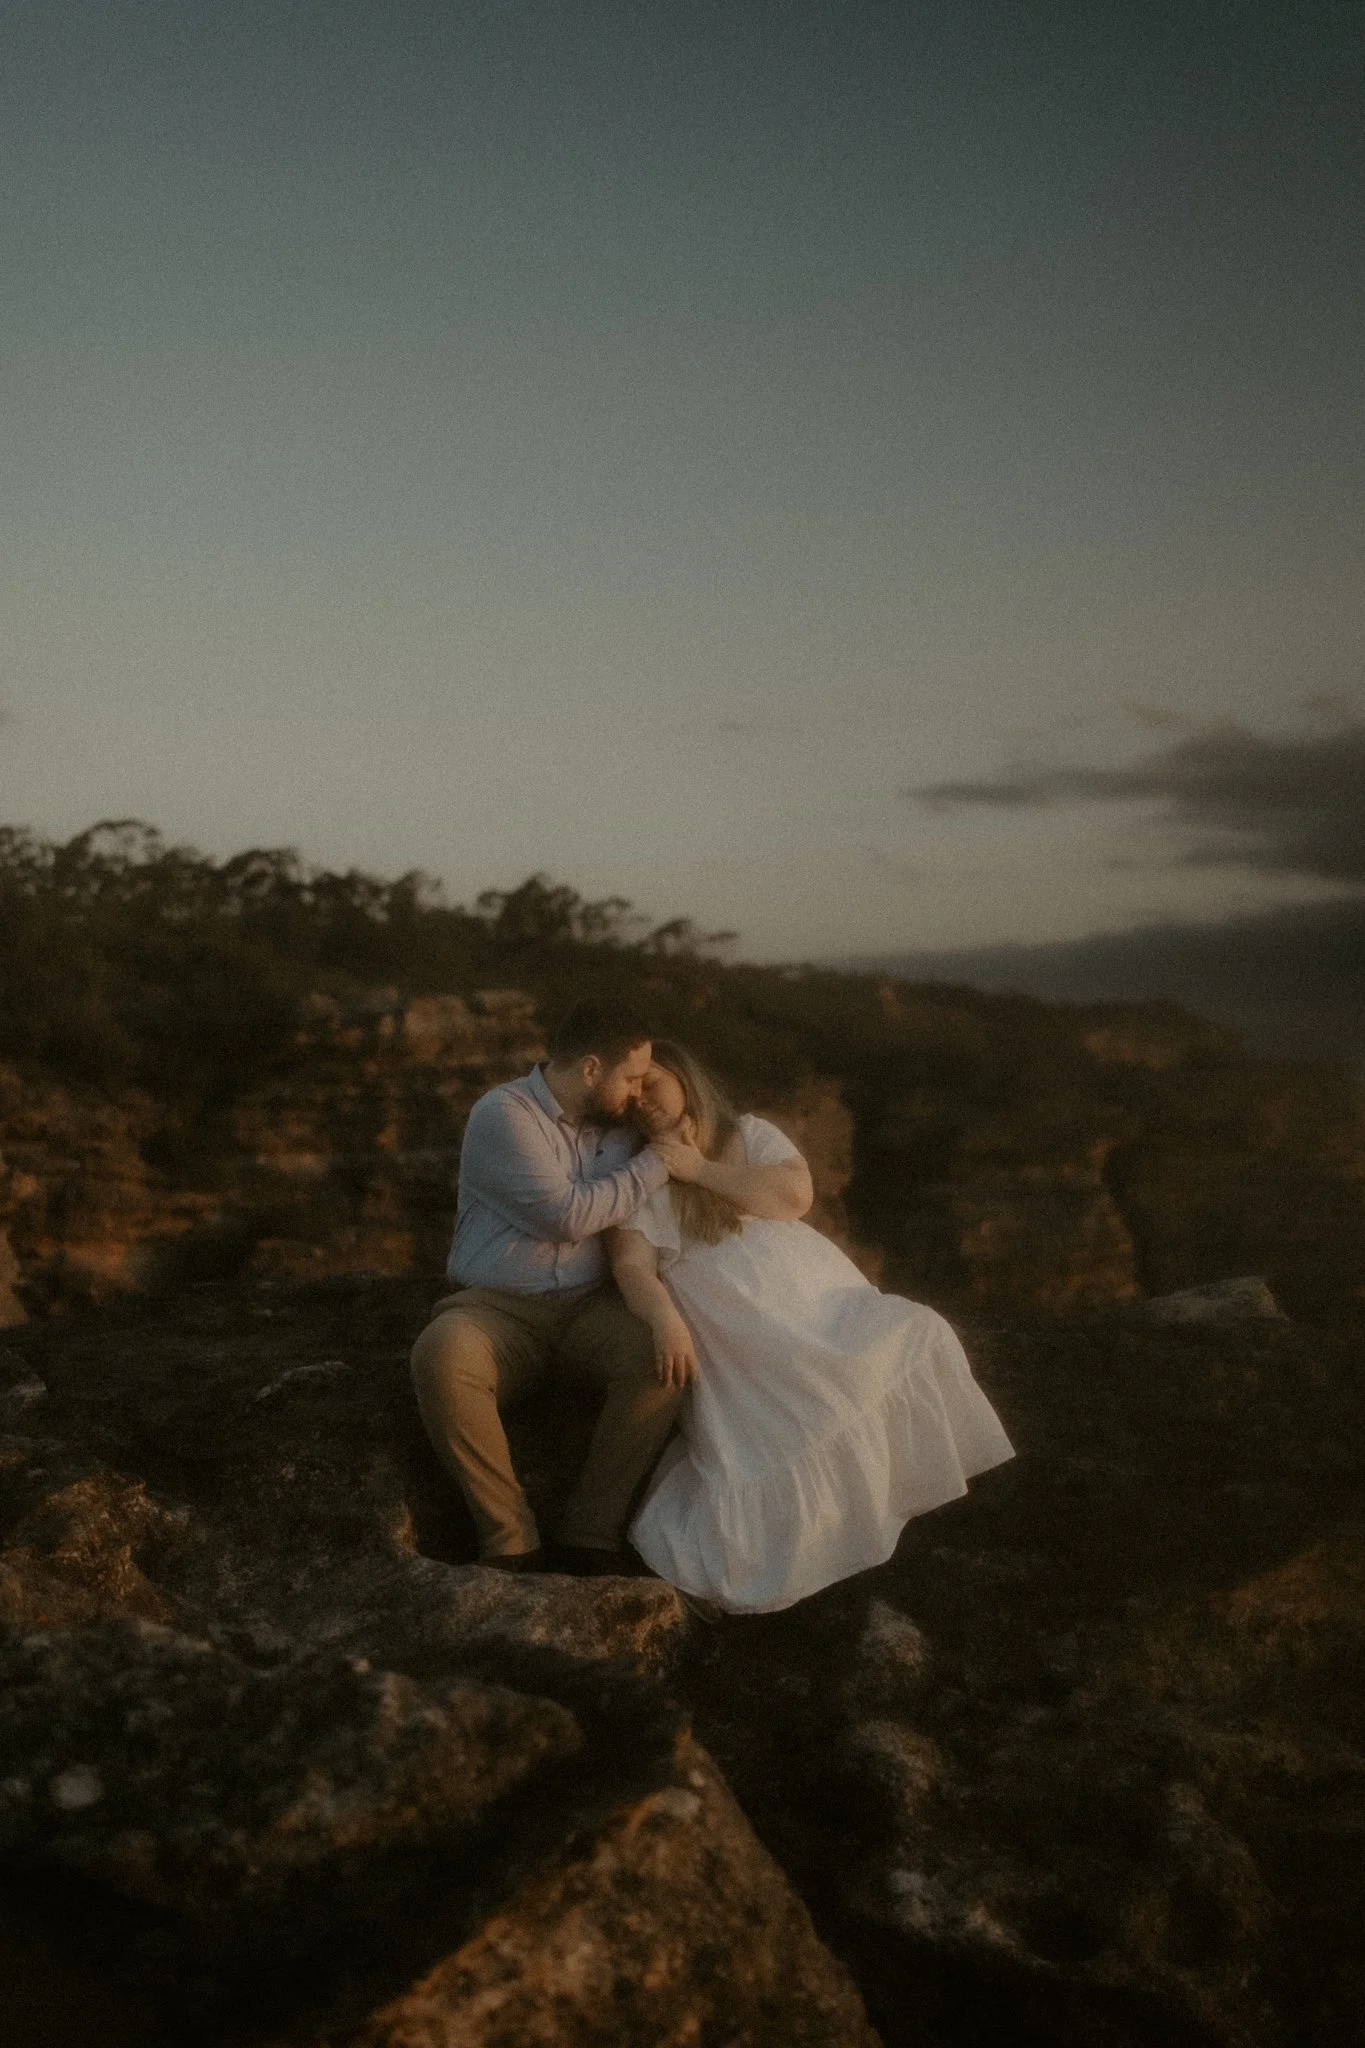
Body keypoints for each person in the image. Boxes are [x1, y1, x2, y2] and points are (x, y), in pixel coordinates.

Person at [610, 1041, 1016, 1613]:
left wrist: (698, 1168)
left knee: (917, 1332)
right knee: (801, 1394)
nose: (641, 1101)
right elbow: (630, 1263)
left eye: (650, 1082)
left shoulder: (746, 1134)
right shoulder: (637, 1174)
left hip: (814, 1298)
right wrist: (661, 1317)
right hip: (739, 1324)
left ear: (682, 1073)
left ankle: (888, 1498)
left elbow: (794, 1196)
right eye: (629, 1096)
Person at [410, 997, 677, 1575]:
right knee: (442, 1354)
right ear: (588, 1069)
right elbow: (566, 1215)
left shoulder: (623, 1127)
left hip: (590, 1310)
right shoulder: (502, 1114)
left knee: (663, 1362)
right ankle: (509, 1538)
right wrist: (659, 1161)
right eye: (630, 1076)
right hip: (498, 1312)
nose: (637, 1091)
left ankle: (591, 1534)